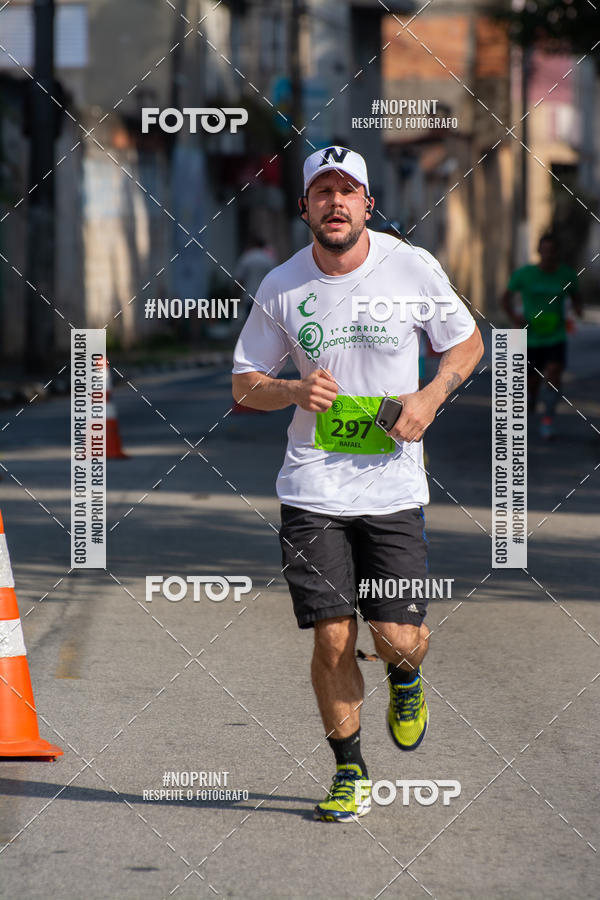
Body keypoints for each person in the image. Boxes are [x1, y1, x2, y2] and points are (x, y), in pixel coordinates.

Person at [232, 146, 483, 822]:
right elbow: (244, 383)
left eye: (348, 191)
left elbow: (466, 344)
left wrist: (430, 397)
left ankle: (405, 675)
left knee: (398, 635)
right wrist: (289, 387)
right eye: (323, 191)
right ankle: (349, 769)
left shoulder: (409, 266)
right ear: (305, 205)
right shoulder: (283, 285)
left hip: (393, 489)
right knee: (333, 636)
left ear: (367, 204)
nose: (335, 202)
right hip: (313, 488)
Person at [501, 232, 583, 439]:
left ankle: (548, 419)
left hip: (556, 336)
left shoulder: (566, 275)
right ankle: (532, 398)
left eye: (551, 251)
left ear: (556, 253)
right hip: (530, 337)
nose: (547, 255)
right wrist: (514, 316)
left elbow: (576, 295)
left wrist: (578, 309)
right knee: (533, 381)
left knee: (554, 374)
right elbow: (505, 297)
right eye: (544, 250)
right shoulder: (525, 274)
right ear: (539, 251)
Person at [235, 236, 275, 320]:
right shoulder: (268, 259)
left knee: (249, 322)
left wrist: (237, 295)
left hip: (249, 296)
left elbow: (239, 279)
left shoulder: (247, 258)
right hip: (265, 298)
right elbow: (274, 280)